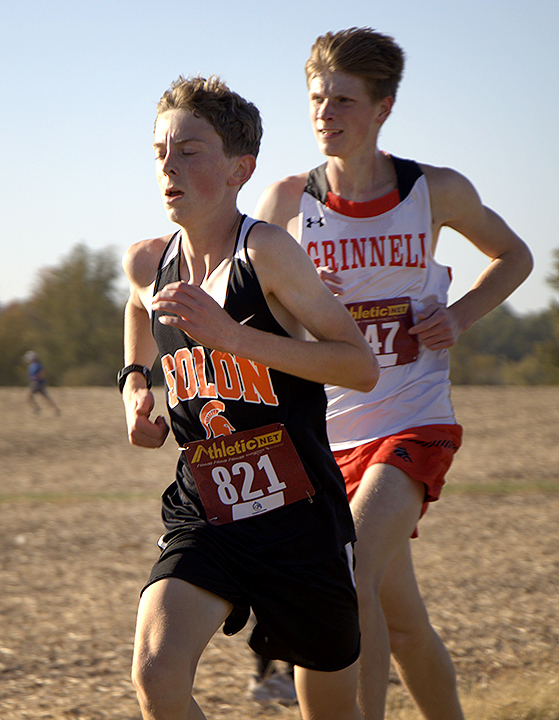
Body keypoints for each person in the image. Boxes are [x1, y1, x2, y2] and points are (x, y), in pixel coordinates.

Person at [254, 27, 533, 720]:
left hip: (413, 419)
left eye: (342, 100)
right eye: (316, 99)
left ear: (381, 109)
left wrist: (460, 316)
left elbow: (514, 255)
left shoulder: (432, 190)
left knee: (349, 570)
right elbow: (256, 310)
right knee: (400, 620)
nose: (324, 113)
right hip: (327, 436)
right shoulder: (287, 202)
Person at [119, 74, 379, 720]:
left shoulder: (265, 253)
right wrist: (134, 387)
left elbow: (358, 366)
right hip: (205, 505)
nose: (168, 166)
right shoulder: (151, 261)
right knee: (156, 671)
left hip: (296, 514)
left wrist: (234, 339)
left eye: (189, 150)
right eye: (159, 152)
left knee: (329, 709)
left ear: (241, 168)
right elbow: (135, 310)